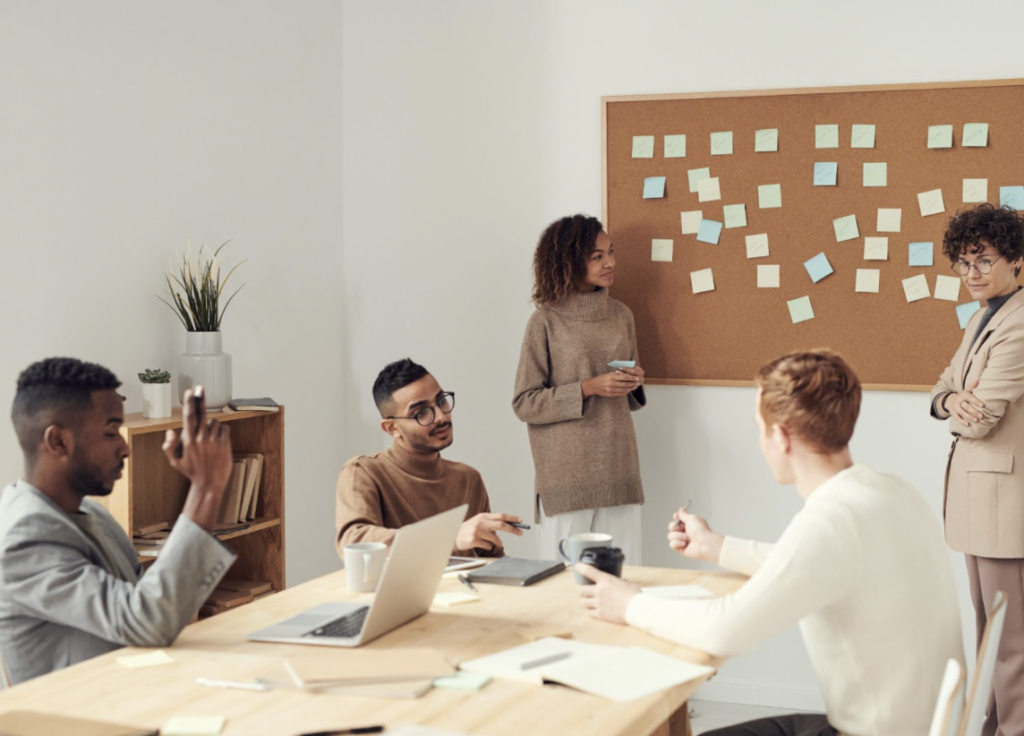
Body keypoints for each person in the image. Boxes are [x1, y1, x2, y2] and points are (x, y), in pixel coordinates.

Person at [577, 350, 963, 736]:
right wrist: (716, 546)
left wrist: (630, 604)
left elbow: (724, 629)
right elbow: (815, 565)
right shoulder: (890, 490)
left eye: (759, 427)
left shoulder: (832, 519)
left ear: (780, 436)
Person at [0, 358, 237, 685]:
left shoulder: (93, 513)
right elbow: (147, 620)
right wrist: (207, 488)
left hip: (139, 696)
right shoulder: (25, 535)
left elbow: (146, 609)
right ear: (58, 442)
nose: (125, 448)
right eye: (112, 432)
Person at [930, 203, 1024, 736]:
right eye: (964, 264)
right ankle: (994, 727)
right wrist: (951, 402)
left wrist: (960, 405)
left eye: (983, 261)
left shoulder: (1020, 323)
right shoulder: (981, 317)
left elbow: (983, 418)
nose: (972, 275)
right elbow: (942, 388)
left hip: (1004, 504)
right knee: (990, 631)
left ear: (1015, 259)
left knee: (1012, 643)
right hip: (976, 504)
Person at [513, 214, 646, 564]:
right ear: (568, 260)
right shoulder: (545, 320)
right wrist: (588, 387)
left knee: (625, 578)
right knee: (562, 584)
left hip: (619, 466)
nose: (610, 262)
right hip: (566, 478)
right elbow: (525, 403)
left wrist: (632, 382)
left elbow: (627, 397)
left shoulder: (621, 315)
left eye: (610, 252)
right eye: (596, 256)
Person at [335, 358, 522, 557]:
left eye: (442, 401)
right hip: (402, 589)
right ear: (392, 428)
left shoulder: (468, 478)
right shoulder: (363, 472)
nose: (441, 417)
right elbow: (353, 541)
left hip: (465, 588)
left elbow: (492, 564)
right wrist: (447, 538)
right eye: (421, 413)